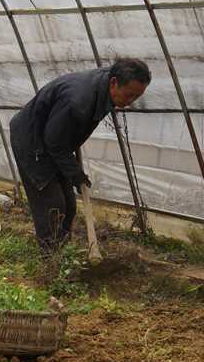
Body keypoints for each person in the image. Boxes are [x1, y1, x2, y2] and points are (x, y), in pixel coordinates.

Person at [9, 58, 151, 252]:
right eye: (129, 95)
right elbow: (54, 142)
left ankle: (62, 251)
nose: (130, 102)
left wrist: (73, 173)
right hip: (32, 143)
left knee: (69, 205)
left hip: (55, 140)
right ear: (114, 82)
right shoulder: (77, 101)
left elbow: (59, 139)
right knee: (53, 206)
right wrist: (75, 174)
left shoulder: (106, 86)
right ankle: (50, 259)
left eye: (136, 97)